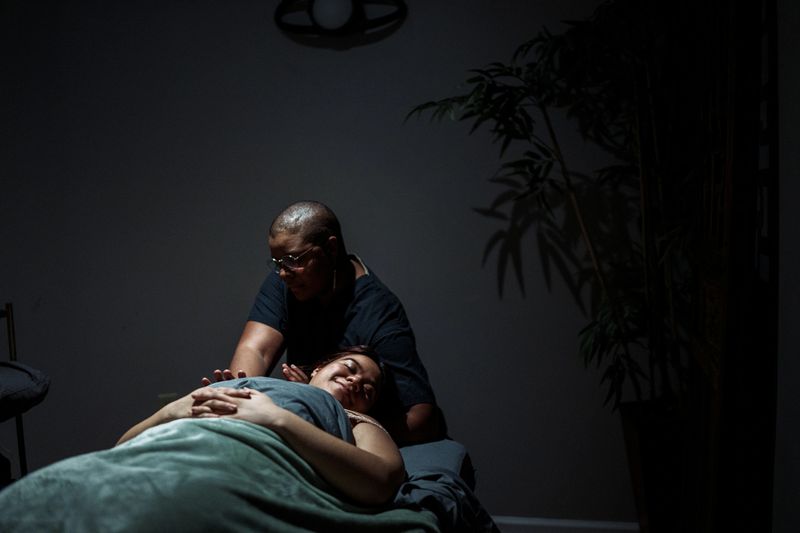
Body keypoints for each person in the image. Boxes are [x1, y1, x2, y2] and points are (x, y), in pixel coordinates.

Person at [205, 200, 442, 444]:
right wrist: (235, 396)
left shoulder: (379, 312)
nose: (284, 274)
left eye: (293, 260)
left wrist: (328, 416)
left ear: (330, 249)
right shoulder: (287, 281)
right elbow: (256, 350)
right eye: (278, 264)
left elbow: (422, 418)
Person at [121, 349, 403, 505]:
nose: (355, 382)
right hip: (163, 452)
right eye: (350, 367)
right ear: (318, 368)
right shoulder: (252, 381)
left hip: (235, 469)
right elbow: (122, 447)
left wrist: (275, 418)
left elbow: (383, 480)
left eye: (368, 390)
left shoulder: (353, 419)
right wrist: (177, 408)